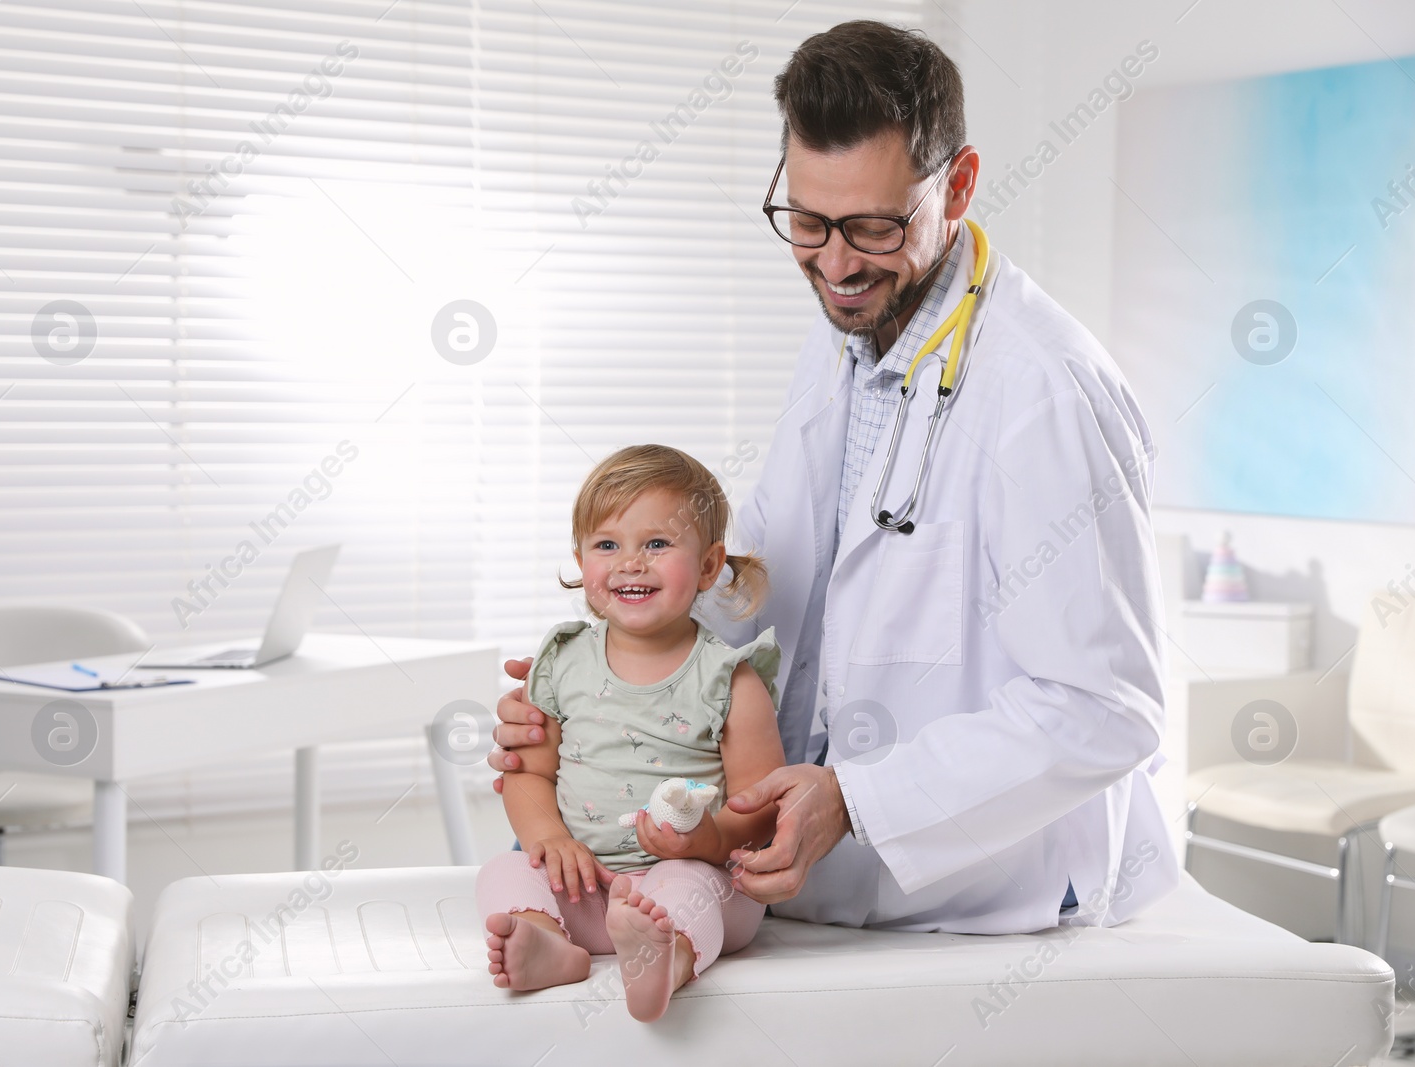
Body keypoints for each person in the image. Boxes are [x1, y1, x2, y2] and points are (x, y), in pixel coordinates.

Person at [493, 20, 1179, 934]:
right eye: (808, 223)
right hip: (801, 861)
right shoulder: (850, 331)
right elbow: (784, 579)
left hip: (988, 886)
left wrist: (858, 799)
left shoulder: (1044, 392)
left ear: (959, 185)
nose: (837, 262)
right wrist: (615, 676)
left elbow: (1106, 707)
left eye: (872, 226)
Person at [475, 444, 786, 1021]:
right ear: (580, 558)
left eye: (658, 544)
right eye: (607, 544)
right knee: (504, 869)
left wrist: (705, 843)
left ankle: (668, 959)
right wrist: (551, 839)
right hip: (586, 886)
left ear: (709, 565)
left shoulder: (730, 681)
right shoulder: (563, 662)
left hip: (701, 886)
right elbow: (528, 772)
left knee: (685, 881)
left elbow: (761, 810)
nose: (631, 562)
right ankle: (548, 941)